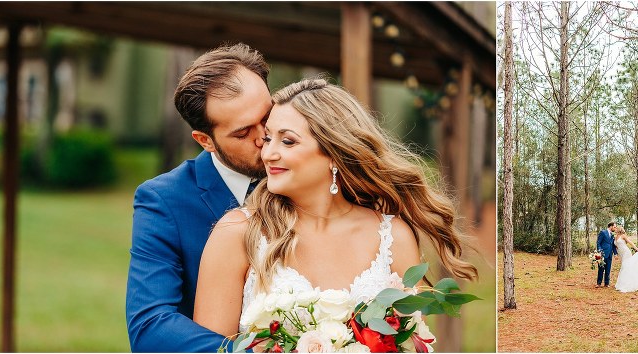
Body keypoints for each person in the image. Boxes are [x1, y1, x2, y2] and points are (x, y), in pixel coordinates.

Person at [193, 78, 479, 338]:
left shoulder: (393, 237)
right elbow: (208, 348)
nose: (268, 153)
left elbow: (411, 341)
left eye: (287, 141)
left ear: (333, 153)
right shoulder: (238, 233)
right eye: (269, 138)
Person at [126, 43, 272, 352]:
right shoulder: (164, 201)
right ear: (206, 141)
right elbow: (150, 326)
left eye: (268, 116)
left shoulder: (312, 178)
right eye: (243, 133)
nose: (264, 137)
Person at [613, 226, 638, 293]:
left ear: (619, 229)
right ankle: (623, 283)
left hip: (626, 252)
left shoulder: (623, 236)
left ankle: (627, 284)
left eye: (616, 228)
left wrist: (636, 248)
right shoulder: (615, 237)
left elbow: (630, 242)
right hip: (621, 254)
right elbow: (615, 246)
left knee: (625, 267)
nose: (615, 229)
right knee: (624, 267)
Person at [596, 222, 618, 288]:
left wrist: (615, 254)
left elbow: (613, 245)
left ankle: (606, 283)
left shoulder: (612, 235)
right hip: (602, 254)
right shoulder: (603, 232)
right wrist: (600, 251)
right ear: (611, 226)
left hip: (609, 254)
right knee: (601, 269)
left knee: (608, 269)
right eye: (614, 227)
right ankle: (599, 283)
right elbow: (598, 243)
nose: (615, 228)